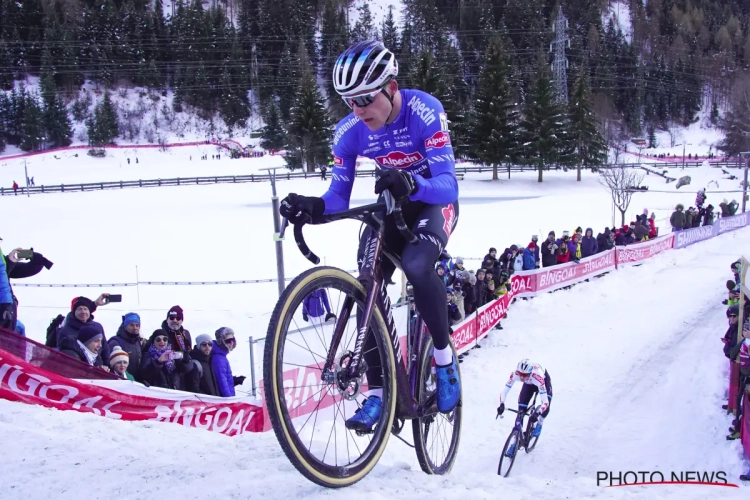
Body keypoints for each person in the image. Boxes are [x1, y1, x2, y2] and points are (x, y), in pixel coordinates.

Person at [279, 40, 461, 432]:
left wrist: (412, 181)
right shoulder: (349, 132)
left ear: (391, 88)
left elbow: (448, 186)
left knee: (415, 264)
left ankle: (444, 360)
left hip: (431, 203)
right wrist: (312, 205)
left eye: (365, 99)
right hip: (390, 207)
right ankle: (378, 394)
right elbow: (336, 196)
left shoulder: (425, 110)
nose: (358, 110)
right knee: (368, 282)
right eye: (349, 101)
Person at [496, 359, 552, 450]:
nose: (521, 377)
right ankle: (514, 443)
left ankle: (540, 424)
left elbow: (545, 402)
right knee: (520, 412)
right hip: (529, 383)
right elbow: (504, 391)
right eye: (520, 374)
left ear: (529, 373)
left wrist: (538, 413)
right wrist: (502, 404)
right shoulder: (515, 374)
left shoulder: (538, 377)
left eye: (524, 375)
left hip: (543, 381)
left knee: (547, 406)